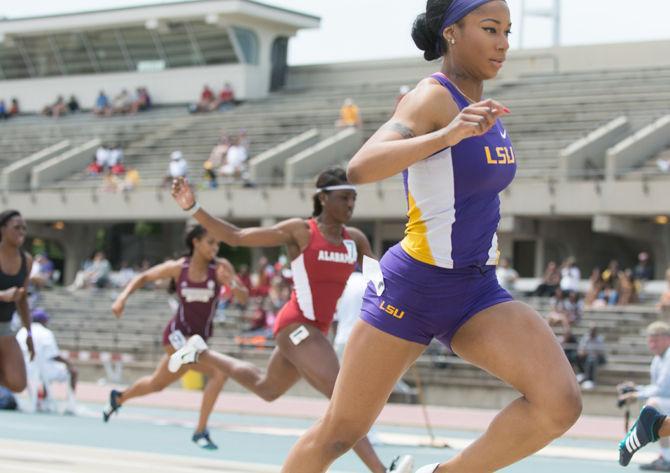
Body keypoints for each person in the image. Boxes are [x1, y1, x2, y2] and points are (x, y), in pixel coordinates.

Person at [279, 2, 582, 472]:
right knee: (340, 434)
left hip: (476, 289)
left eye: (507, 30)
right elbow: (361, 166)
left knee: (559, 404)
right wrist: (445, 136)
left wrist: (463, 131)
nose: (503, 42)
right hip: (414, 288)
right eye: (489, 29)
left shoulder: (484, 108)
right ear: (452, 32)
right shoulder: (432, 97)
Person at [170, 168, 413, 473]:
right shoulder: (301, 231)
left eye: (353, 199)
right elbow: (236, 236)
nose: (350, 205)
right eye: (343, 198)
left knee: (267, 388)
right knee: (343, 396)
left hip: (316, 331)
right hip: (296, 325)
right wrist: (193, 207)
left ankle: (201, 351)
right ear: (323, 199)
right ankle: (382, 471)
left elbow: (381, 283)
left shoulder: (356, 240)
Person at [103, 225, 248, 449]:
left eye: (218, 243)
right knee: (219, 372)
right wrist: (122, 298)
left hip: (198, 341)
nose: (215, 247)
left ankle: (119, 397)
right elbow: (143, 277)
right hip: (176, 337)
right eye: (211, 242)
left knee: (156, 384)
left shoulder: (220, 268)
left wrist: (231, 282)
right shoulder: (179, 268)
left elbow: (243, 298)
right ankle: (200, 431)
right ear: (196, 243)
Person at [618, 321, 670, 469]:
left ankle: (667, 457)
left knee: (653, 405)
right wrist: (635, 389)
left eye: (656, 340)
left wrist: (636, 394)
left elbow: (663, 389)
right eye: (650, 340)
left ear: (668, 339)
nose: (652, 344)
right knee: (653, 406)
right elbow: (659, 387)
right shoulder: (658, 359)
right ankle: (666, 456)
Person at [16, 308, 78, 413]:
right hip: (44, 371)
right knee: (73, 371)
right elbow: (54, 355)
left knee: (43, 370)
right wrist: (68, 363)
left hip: (24, 370)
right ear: (43, 321)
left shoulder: (22, 331)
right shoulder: (46, 333)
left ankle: (41, 400)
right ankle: (70, 405)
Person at [0, 210, 35, 393]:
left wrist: (29, 333)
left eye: (24, 228)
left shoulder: (26, 260)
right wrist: (3, 295)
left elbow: (23, 300)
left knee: (18, 383)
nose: (21, 232)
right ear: (3, 229)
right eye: (16, 227)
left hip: (4, 327)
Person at [575, 324, 606, 389]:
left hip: (598, 358)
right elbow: (580, 351)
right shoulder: (586, 338)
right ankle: (582, 373)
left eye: (593, 330)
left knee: (591, 359)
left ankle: (590, 380)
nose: (592, 331)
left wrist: (591, 353)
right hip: (587, 356)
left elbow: (601, 352)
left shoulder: (599, 339)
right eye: (591, 330)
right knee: (577, 357)